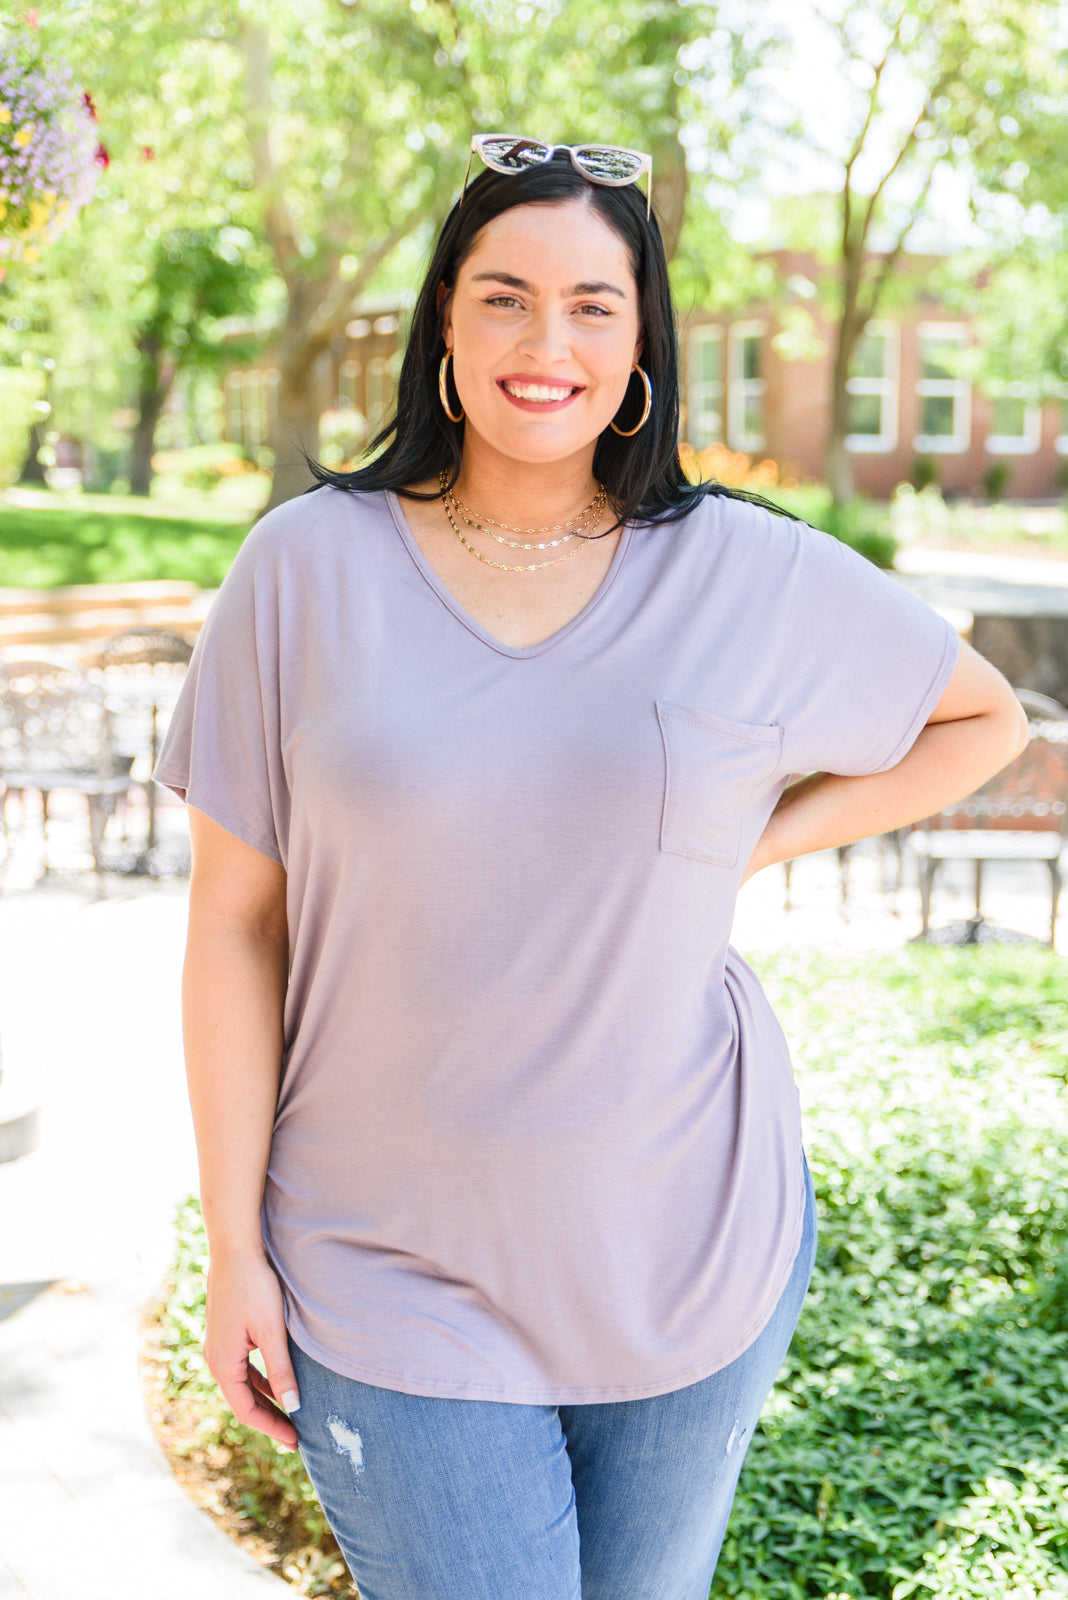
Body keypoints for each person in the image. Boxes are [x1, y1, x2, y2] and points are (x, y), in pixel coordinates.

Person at [155, 136, 1028, 1600]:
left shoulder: (746, 573)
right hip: (384, 1263)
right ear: (444, 323)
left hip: (687, 1240)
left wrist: (754, 839)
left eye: (591, 306)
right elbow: (234, 924)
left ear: (641, 350)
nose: (543, 342)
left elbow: (982, 718)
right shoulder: (304, 569)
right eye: (503, 298)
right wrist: (234, 1247)